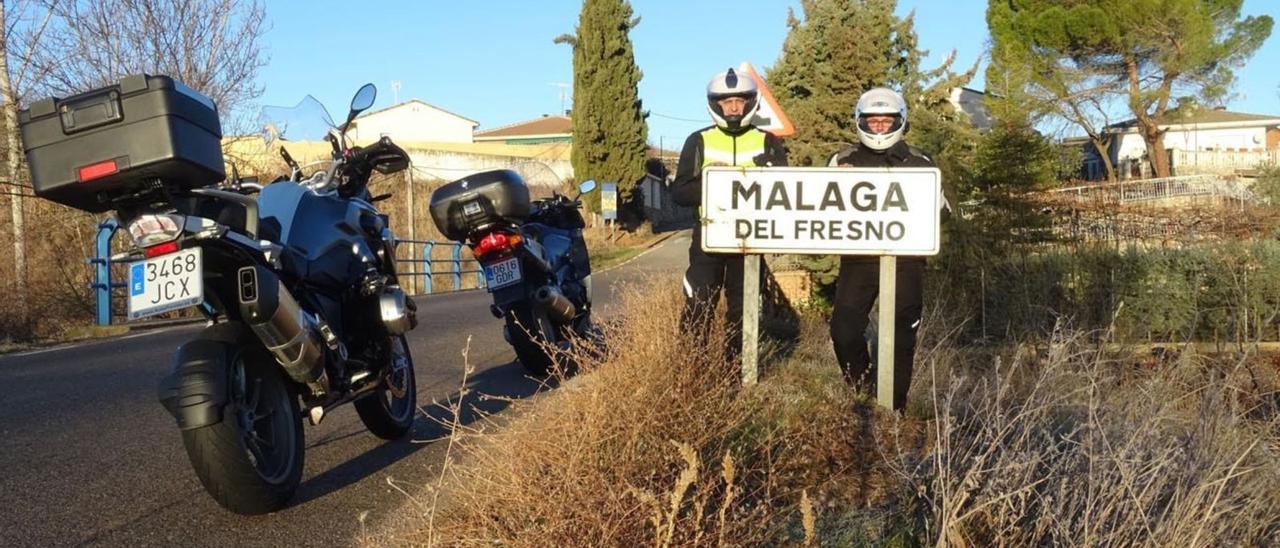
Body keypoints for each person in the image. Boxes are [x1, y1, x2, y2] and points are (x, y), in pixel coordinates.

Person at [827, 87, 935, 410]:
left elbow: (940, 209)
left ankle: (894, 410)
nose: (878, 127)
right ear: (861, 122)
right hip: (858, 260)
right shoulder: (841, 160)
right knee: (843, 330)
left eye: (885, 121)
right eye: (871, 121)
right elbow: (818, 205)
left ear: (899, 122)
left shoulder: (920, 161)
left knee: (901, 337)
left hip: (906, 262)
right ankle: (862, 390)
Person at [671, 68, 787, 361]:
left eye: (740, 101)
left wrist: (767, 173)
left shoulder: (768, 141)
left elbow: (787, 191)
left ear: (751, 103)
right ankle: (692, 371)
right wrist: (714, 181)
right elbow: (679, 193)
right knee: (698, 305)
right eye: (726, 102)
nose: (734, 107)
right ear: (715, 104)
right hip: (709, 237)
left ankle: (735, 372)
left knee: (744, 309)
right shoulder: (698, 141)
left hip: (752, 239)